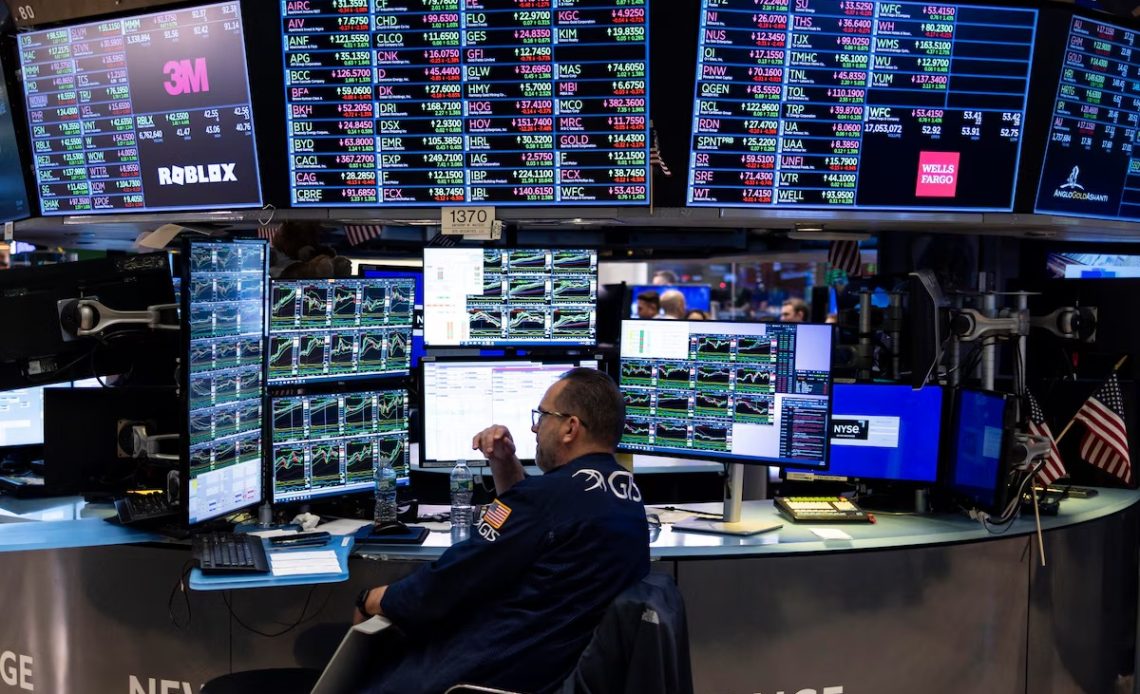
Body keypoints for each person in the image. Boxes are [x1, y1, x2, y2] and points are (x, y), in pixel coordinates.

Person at [354, 368, 650, 694]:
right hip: (548, 670)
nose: (535, 428)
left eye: (543, 416)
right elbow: (532, 528)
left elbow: (454, 579)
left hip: (489, 671)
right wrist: (505, 462)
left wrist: (377, 598)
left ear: (570, 427)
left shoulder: (547, 500)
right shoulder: (627, 496)